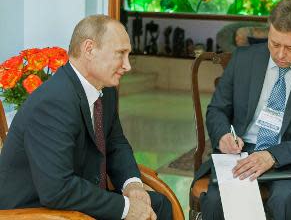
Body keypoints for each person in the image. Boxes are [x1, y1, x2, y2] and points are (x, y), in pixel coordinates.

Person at [0, 15, 172, 220]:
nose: (128, 66)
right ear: (89, 49)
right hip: (37, 212)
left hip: (76, 200)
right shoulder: (53, 102)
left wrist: (132, 184)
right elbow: (57, 189)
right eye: (120, 54)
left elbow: (115, 143)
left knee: (159, 205)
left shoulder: (104, 90)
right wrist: (126, 209)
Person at [196, 0, 291, 220]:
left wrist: (272, 155)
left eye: (290, 47)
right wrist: (224, 135)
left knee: (284, 200)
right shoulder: (243, 59)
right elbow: (217, 109)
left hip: (289, 156)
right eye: (274, 44)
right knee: (217, 201)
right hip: (241, 152)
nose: (281, 55)